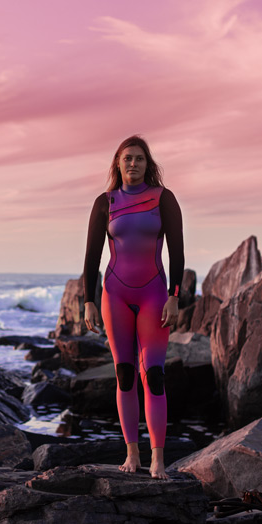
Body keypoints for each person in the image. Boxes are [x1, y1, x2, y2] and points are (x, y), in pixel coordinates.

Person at [82, 135, 184, 479]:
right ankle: (132, 454)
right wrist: (88, 301)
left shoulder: (163, 199)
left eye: (139, 159)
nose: (133, 164)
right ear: (118, 164)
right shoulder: (105, 202)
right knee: (125, 374)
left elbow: (177, 252)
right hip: (114, 295)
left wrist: (175, 295)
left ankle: (157, 458)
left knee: (153, 375)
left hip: (154, 293)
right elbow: (92, 256)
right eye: (127, 159)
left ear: (147, 164)